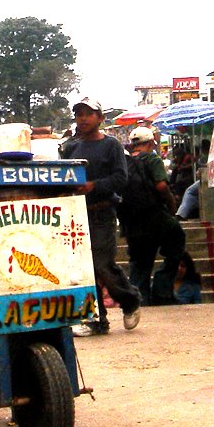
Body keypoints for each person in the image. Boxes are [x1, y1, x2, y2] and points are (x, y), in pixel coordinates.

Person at [62, 97, 141, 336]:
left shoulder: (112, 146)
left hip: (103, 213)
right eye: (79, 114)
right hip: (77, 215)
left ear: (100, 118)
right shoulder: (70, 148)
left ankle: (130, 301)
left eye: (88, 113)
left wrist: (93, 186)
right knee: (85, 269)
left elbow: (121, 178)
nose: (83, 118)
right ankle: (96, 320)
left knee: (102, 264)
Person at [120, 126, 185, 306]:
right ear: (149, 143)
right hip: (154, 216)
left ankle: (139, 303)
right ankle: (162, 290)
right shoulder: (152, 159)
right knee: (177, 240)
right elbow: (162, 187)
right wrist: (172, 205)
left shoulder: (124, 163)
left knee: (140, 263)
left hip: (131, 221)